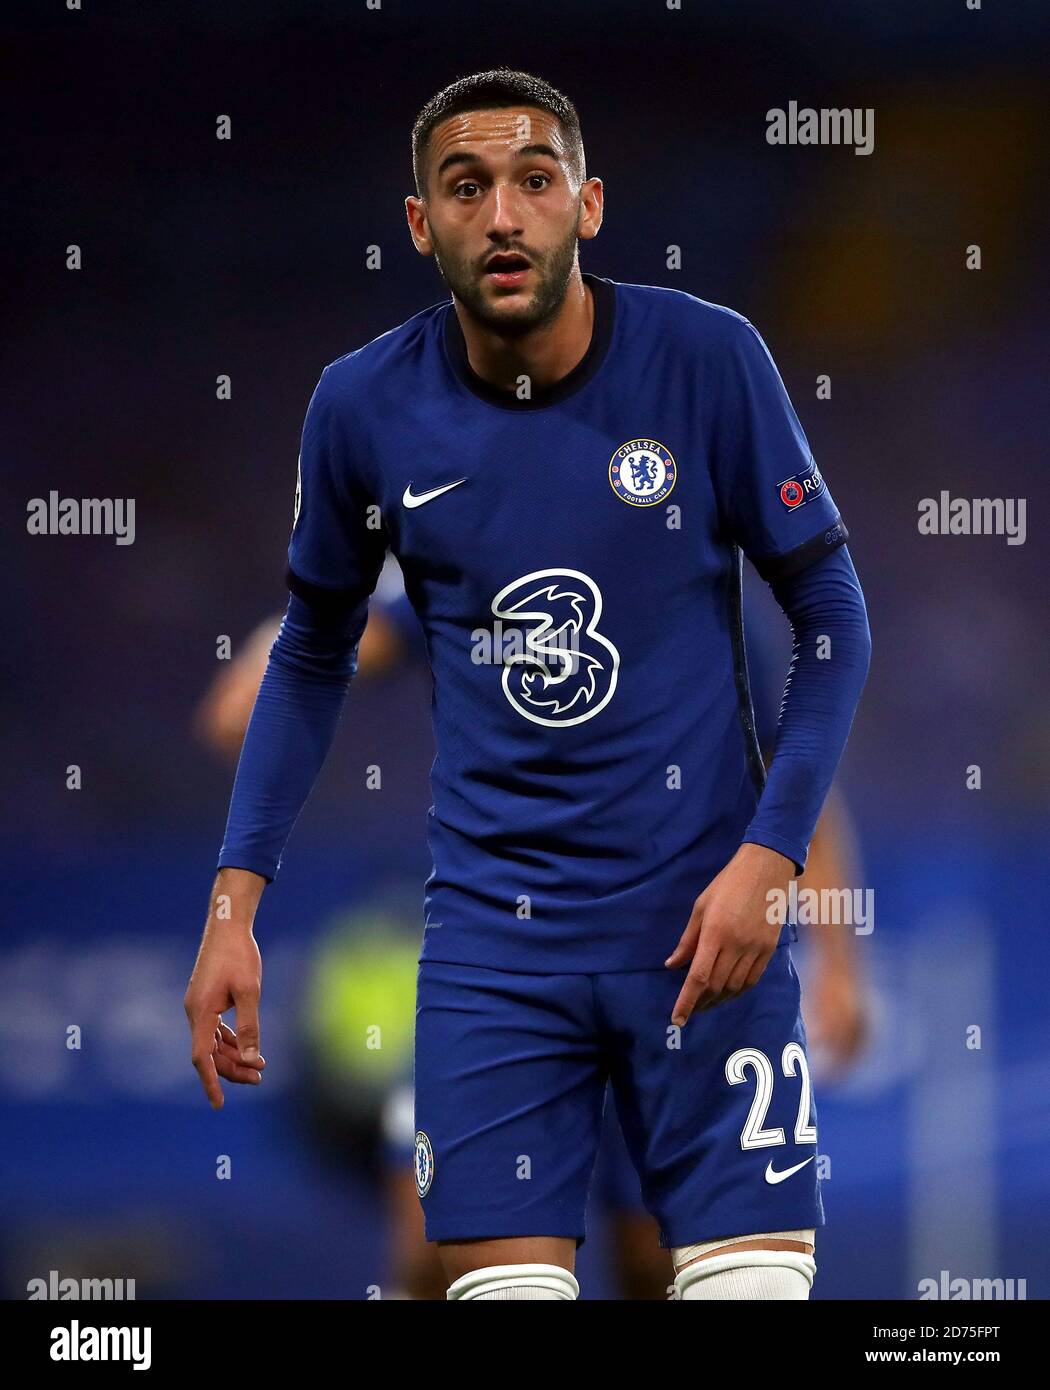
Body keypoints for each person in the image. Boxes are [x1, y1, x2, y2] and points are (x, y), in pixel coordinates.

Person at [185, 68, 871, 1301]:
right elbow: (305, 654)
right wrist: (234, 903)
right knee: (439, 1260)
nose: (502, 214)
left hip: (700, 943)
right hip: (495, 959)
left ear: (587, 205)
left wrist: (770, 871)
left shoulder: (711, 362)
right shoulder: (362, 407)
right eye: (466, 186)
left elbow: (832, 614)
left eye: (533, 181)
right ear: (419, 222)